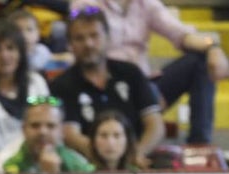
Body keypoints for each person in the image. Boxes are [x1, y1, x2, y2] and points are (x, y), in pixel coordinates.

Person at [69, 0, 229, 148]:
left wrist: (212, 48)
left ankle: (199, 145)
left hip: (142, 83)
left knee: (199, 61)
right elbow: (83, 46)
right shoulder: (86, 5)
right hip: (103, 84)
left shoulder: (146, 4)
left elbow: (181, 34)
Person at [50, 8, 164, 165]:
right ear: (70, 45)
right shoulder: (61, 85)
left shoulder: (131, 73)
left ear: (108, 37)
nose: (88, 44)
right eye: (79, 38)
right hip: (85, 169)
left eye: (94, 36)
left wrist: (134, 155)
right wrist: (108, 158)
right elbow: (70, 135)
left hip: (136, 164)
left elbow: (155, 125)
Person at [0, 20, 51, 164]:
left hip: (42, 162)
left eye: (10, 48)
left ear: (21, 52)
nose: (4, 55)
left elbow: (49, 128)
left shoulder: (36, 82)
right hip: (0, 170)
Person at [0, 96, 95, 174]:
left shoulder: (78, 163)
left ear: (61, 130)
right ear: (23, 129)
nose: (43, 132)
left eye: (50, 126)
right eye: (35, 125)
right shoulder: (0, 164)